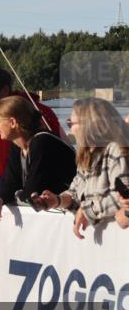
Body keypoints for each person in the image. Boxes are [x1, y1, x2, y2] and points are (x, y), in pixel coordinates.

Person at [0, 67, 63, 204]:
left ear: (5, 90)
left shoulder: (39, 112)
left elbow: (56, 150)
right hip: (7, 183)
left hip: (45, 187)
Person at [40, 98, 129, 235]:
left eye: (70, 123)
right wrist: (56, 200)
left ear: (89, 126)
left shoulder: (115, 151)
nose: (70, 129)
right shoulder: (86, 156)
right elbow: (74, 194)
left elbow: (121, 196)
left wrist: (87, 210)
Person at [0, 96, 76, 220]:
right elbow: (10, 182)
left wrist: (17, 195)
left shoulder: (42, 142)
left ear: (13, 122)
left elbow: (33, 189)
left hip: (69, 212)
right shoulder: (17, 145)